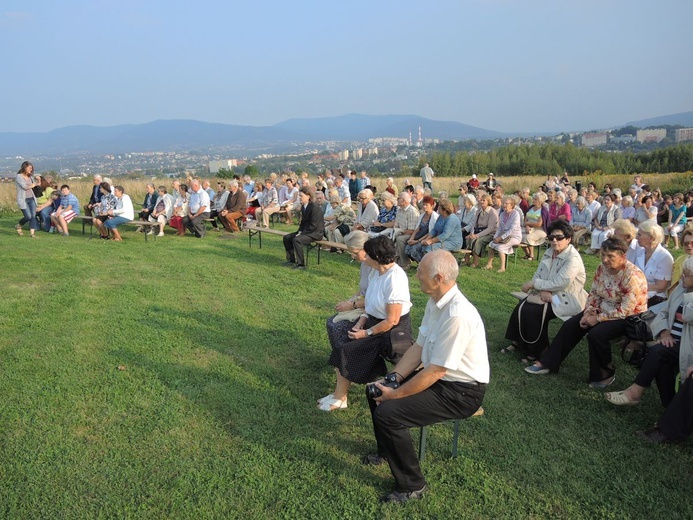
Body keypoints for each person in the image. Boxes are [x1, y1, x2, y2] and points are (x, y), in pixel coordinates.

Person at [363, 250, 489, 503]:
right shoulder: (436, 302)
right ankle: (387, 451)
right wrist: (394, 378)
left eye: (420, 272)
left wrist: (395, 394)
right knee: (375, 389)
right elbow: (419, 348)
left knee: (389, 413)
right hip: (440, 378)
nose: (416, 276)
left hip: (461, 392)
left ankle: (412, 486)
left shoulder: (457, 315)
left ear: (438, 278)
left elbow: (437, 371)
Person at [525, 237, 648, 388]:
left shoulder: (632, 275)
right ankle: (547, 363)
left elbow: (626, 309)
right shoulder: (601, 268)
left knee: (597, 334)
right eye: (603, 254)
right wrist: (588, 312)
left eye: (610, 256)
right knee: (571, 325)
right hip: (601, 309)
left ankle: (605, 375)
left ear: (623, 256)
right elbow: (594, 293)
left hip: (628, 317)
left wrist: (597, 319)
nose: (605, 259)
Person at [320, 236, 413, 412]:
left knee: (347, 349)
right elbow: (370, 303)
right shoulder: (376, 272)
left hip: (391, 331)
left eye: (367, 253)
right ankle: (339, 396)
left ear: (376, 256)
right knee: (342, 342)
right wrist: (361, 321)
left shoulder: (395, 278)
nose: (364, 257)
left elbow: (392, 320)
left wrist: (366, 333)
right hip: (374, 322)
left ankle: (340, 397)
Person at [605, 257, 693, 408]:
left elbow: (689, 315)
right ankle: (670, 406)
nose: (681, 277)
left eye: (686, 274)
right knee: (661, 360)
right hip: (671, 341)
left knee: (657, 352)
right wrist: (664, 332)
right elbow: (663, 312)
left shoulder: (686, 293)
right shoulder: (681, 288)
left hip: (688, 346)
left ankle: (635, 393)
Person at [503, 220, 587, 363]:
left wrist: (536, 285)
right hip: (547, 292)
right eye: (551, 237)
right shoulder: (549, 251)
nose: (554, 240)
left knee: (535, 311)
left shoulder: (573, 258)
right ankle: (518, 342)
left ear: (568, 239)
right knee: (523, 306)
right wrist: (541, 289)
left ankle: (538, 351)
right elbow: (539, 274)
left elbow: (562, 282)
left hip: (565, 299)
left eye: (559, 237)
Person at [632, 221, 673, 307]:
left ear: (651, 238)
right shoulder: (640, 252)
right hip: (638, 294)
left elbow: (660, 287)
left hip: (656, 299)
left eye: (639, 235)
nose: (636, 237)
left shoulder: (664, 257)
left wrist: (636, 287)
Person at [282, 186, 324, 270]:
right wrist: (299, 231)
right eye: (299, 196)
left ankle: (301, 264)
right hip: (307, 231)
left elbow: (314, 225)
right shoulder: (304, 206)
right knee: (286, 238)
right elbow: (303, 222)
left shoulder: (315, 208)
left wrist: (302, 233)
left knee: (297, 240)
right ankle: (291, 260)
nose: (299, 198)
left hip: (316, 233)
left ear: (308, 196)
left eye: (301, 196)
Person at [486, 196, 522, 272]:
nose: (504, 205)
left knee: (500, 248)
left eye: (506, 203)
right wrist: (495, 237)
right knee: (491, 244)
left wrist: (500, 238)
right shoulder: (502, 214)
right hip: (503, 236)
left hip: (515, 237)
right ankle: (489, 264)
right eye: (503, 203)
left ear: (511, 205)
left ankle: (502, 268)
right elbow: (500, 228)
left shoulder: (516, 214)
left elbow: (512, 229)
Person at [465, 193, 499, 268]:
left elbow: (490, 229)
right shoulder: (479, 211)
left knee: (478, 240)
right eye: (481, 200)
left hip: (491, 233)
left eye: (484, 200)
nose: (482, 202)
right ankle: (466, 259)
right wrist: (471, 234)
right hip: (479, 231)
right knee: (469, 239)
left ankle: (475, 262)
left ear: (488, 202)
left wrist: (477, 235)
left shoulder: (492, 212)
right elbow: (474, 225)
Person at [404, 196, 438, 266]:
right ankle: (419, 263)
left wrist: (417, 241)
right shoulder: (422, 215)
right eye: (423, 204)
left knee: (415, 248)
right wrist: (411, 239)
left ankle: (424, 264)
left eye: (426, 205)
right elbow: (417, 229)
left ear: (431, 206)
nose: (424, 206)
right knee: (407, 248)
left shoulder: (434, 217)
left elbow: (430, 233)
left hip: (427, 238)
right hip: (419, 236)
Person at [520, 192, 548, 261]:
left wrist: (528, 224)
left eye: (535, 199)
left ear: (540, 201)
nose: (533, 200)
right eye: (533, 199)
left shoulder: (543, 210)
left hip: (540, 229)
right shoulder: (530, 208)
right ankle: (527, 253)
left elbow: (539, 223)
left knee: (528, 237)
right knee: (519, 236)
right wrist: (527, 225)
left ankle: (532, 255)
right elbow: (525, 219)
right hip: (528, 227)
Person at [15, 161, 38, 238]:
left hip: (32, 198)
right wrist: (33, 185)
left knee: (33, 216)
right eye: (29, 168)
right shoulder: (19, 176)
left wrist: (38, 181)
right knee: (28, 216)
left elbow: (35, 186)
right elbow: (24, 187)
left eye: (31, 168)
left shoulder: (31, 177)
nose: (31, 170)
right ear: (24, 168)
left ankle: (32, 234)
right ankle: (19, 225)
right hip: (23, 199)